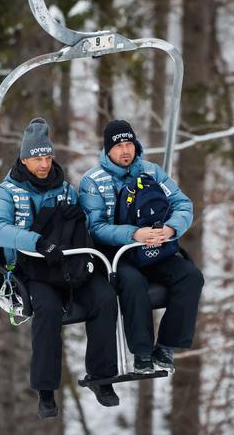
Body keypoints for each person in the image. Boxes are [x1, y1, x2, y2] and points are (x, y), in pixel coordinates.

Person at [0, 118, 119, 419]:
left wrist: (78, 217)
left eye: (48, 157)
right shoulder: (8, 191)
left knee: (105, 298)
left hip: (66, 261)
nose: (44, 164)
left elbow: (80, 225)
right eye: (37, 159)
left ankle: (102, 377)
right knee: (46, 310)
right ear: (24, 159)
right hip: (30, 267)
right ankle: (46, 390)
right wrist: (36, 243)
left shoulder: (64, 187)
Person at [79, 119, 204, 374]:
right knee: (133, 283)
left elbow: (183, 205)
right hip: (117, 255)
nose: (125, 151)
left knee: (191, 277)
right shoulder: (93, 181)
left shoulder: (152, 172)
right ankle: (142, 351)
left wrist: (170, 229)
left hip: (156, 248)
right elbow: (95, 227)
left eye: (129, 144)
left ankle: (166, 346)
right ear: (107, 150)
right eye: (119, 146)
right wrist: (134, 234)